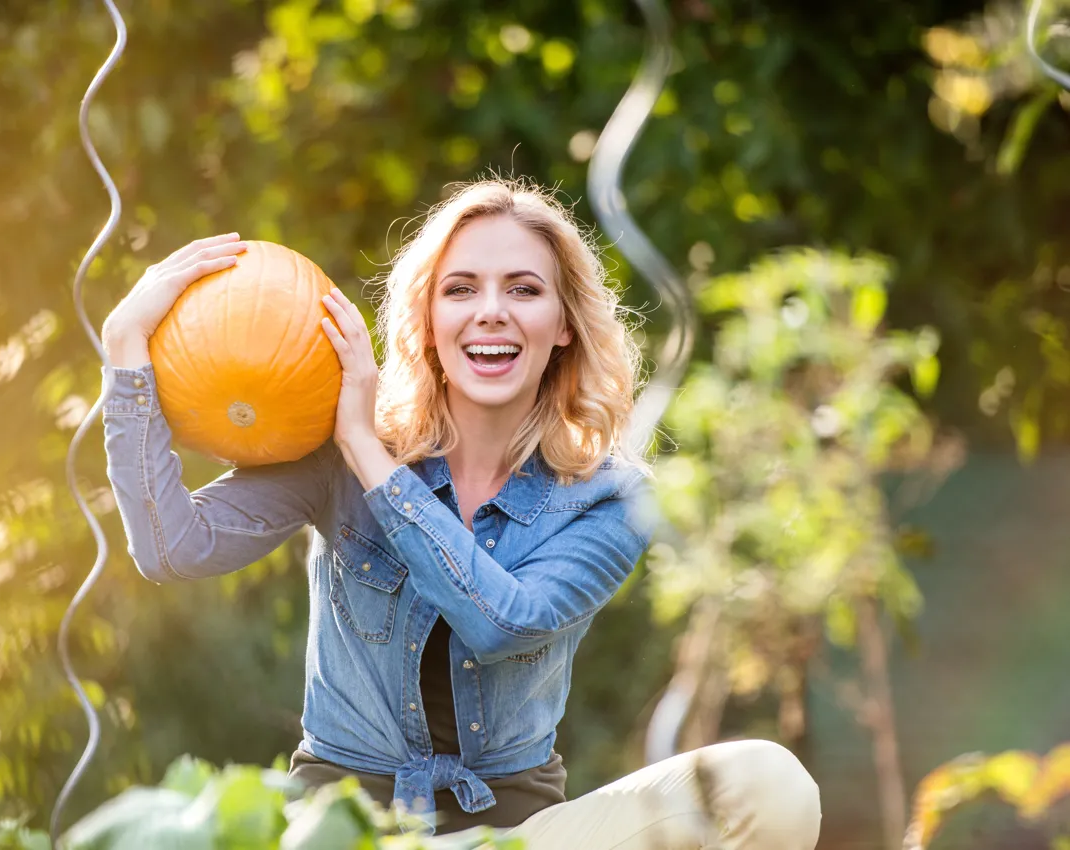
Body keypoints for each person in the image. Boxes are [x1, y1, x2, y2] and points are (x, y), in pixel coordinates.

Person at [98, 179, 822, 848]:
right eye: (461, 289)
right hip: (347, 831)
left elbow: (501, 622)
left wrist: (370, 457)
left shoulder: (608, 499)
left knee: (767, 782)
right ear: (428, 319)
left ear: (564, 324)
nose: (491, 311)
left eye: (524, 289)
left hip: (513, 837)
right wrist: (126, 352)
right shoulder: (340, 451)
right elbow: (172, 548)